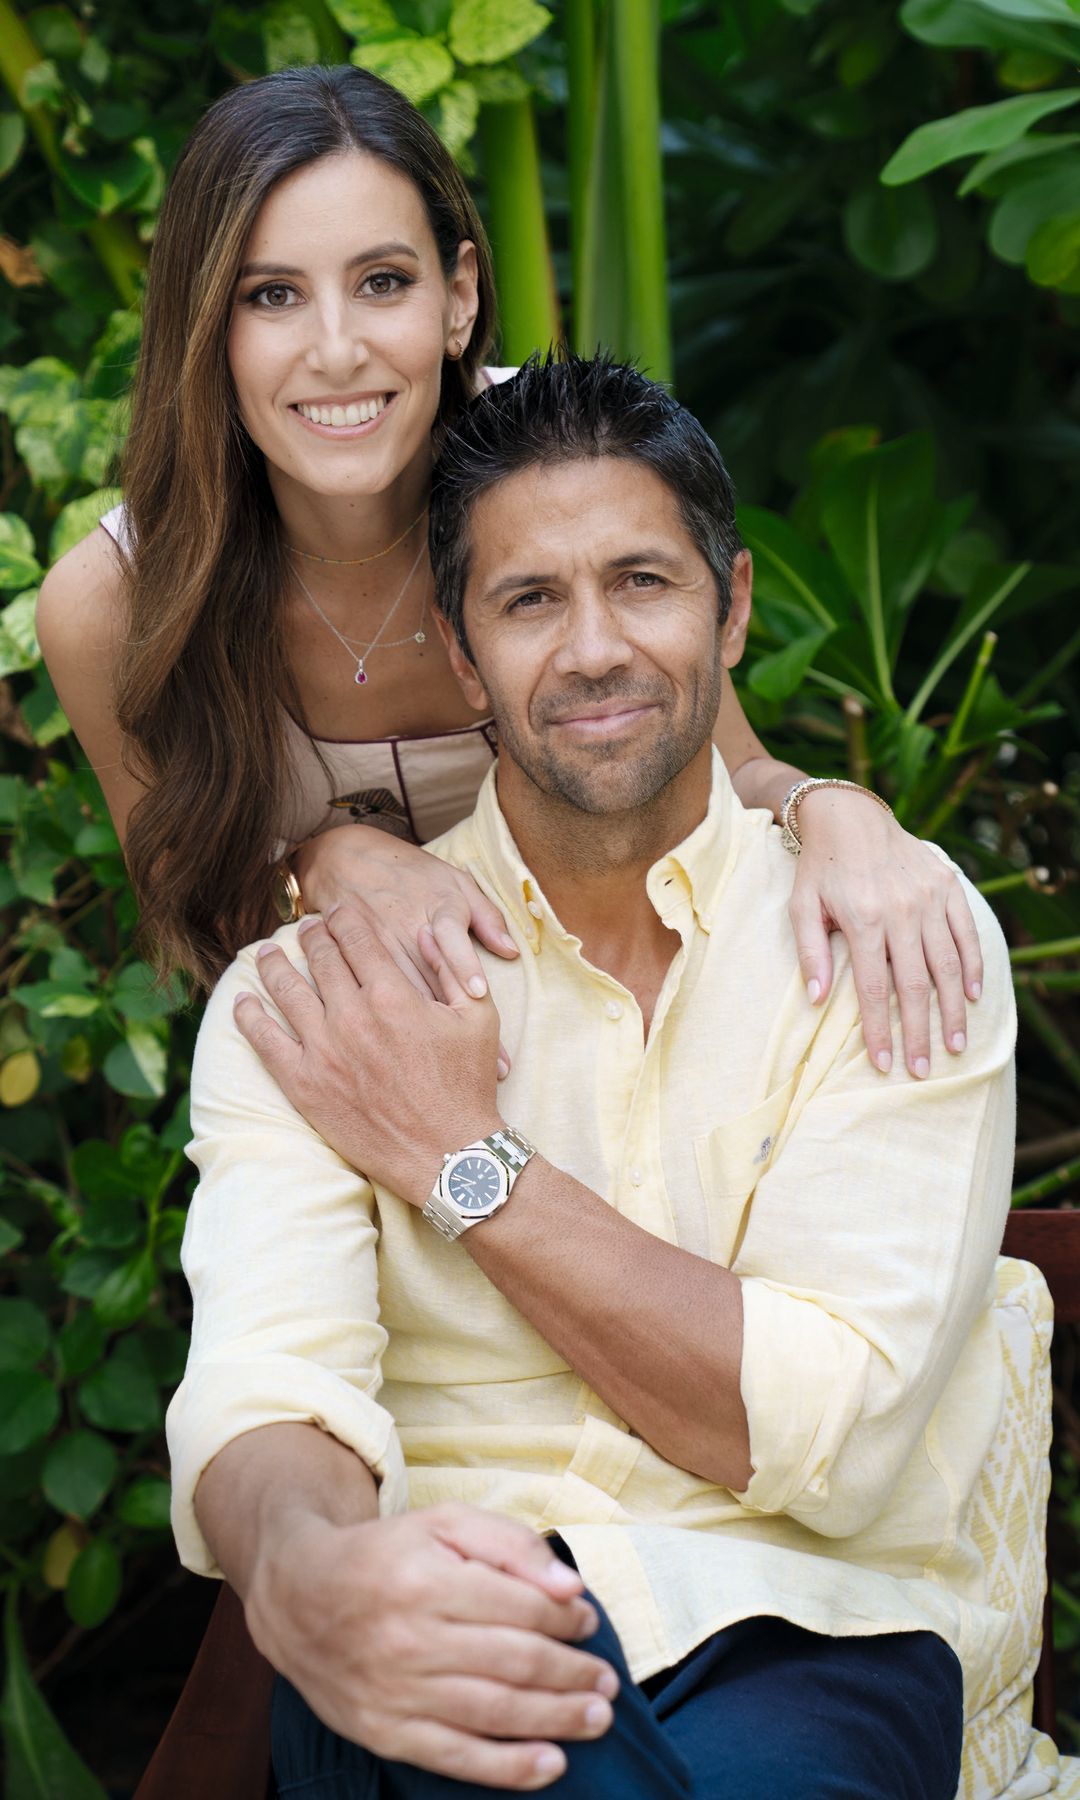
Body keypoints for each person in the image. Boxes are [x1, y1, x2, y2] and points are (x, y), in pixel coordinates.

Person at [170, 356, 1016, 1799]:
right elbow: (271, 1387)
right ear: (458, 651)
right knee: (485, 1726)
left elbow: (816, 1429)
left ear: (731, 605)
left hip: (802, 1629)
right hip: (443, 1594)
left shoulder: (896, 935)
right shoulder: (319, 994)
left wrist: (460, 1159)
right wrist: (308, 1571)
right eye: (528, 601)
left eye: (642, 582)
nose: (594, 649)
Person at [35, 63, 984, 1080]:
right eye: (272, 296)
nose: (339, 349)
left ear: (459, 297)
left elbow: (731, 775)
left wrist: (843, 812)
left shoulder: (571, 470)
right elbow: (199, 911)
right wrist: (317, 863)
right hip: (375, 1078)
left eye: (383, 282)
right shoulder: (116, 605)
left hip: (655, 1035)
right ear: (205, 329)